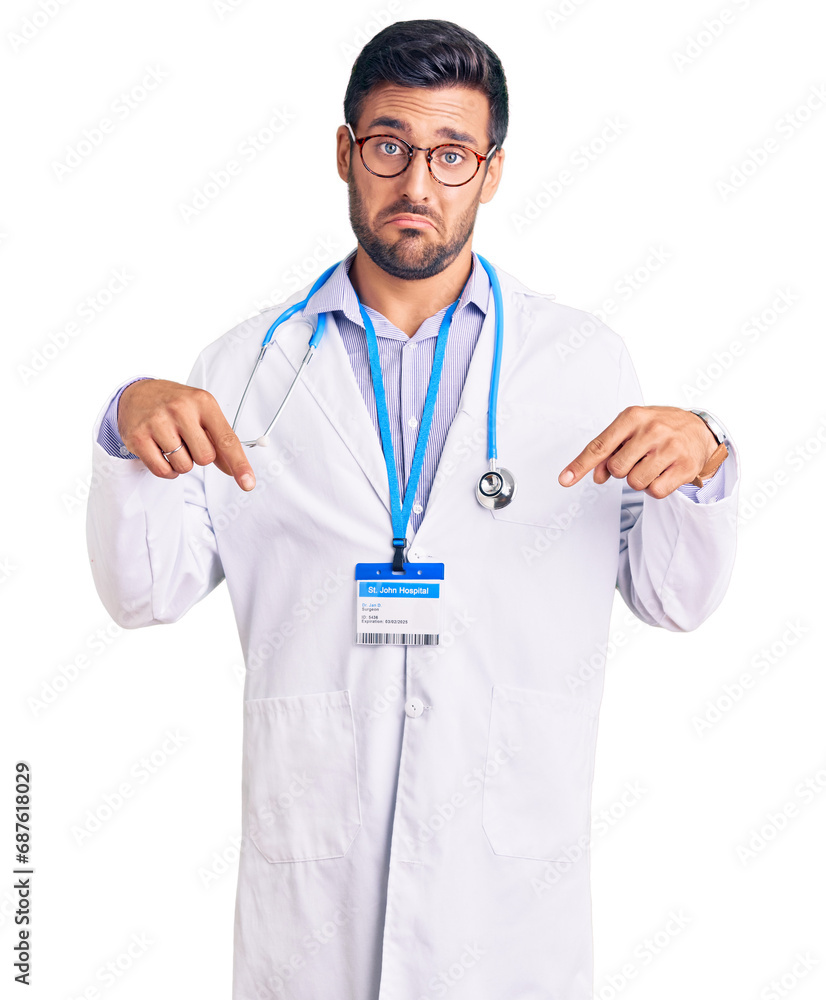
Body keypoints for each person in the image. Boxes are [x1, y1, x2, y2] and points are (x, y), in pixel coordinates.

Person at [85, 18, 739, 1000]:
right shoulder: (244, 369)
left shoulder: (581, 363)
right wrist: (123, 416)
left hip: (508, 910)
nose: (417, 184)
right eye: (389, 146)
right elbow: (143, 593)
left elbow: (675, 599)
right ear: (345, 152)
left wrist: (706, 455)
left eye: (451, 154)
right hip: (312, 911)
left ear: (492, 170)